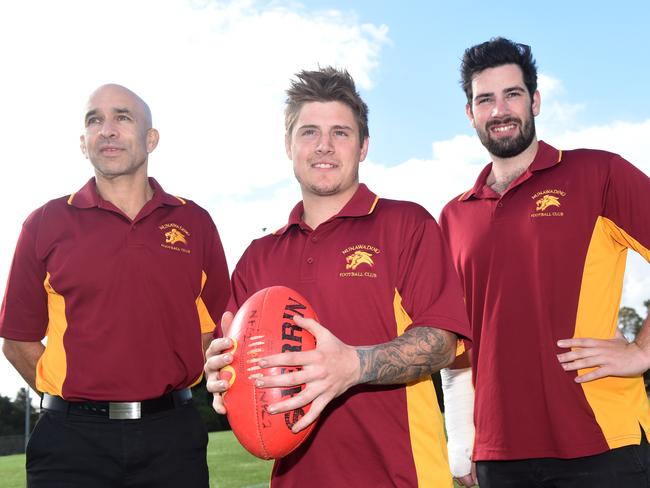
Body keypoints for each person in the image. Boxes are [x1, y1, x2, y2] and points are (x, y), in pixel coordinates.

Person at [204, 67, 471, 487]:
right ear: (288, 146)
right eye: (309, 132)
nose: (324, 146)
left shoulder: (407, 224)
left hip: (403, 477)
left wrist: (353, 365)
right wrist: (220, 375)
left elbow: (443, 342)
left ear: (363, 147)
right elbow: (234, 362)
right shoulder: (258, 256)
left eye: (341, 133)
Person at [439, 37, 650, 487]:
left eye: (512, 94)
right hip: (499, 456)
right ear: (470, 113)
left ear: (534, 100)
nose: (500, 110)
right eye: (485, 99)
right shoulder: (453, 216)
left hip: (601, 443)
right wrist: (463, 441)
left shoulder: (599, 174)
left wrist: (642, 349)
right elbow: (458, 345)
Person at [0, 84, 230, 487]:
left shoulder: (194, 222)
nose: (107, 129)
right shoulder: (44, 223)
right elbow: (17, 340)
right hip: (70, 444)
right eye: (95, 120)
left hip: (171, 438)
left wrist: (161, 381)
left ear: (150, 139)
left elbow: (217, 331)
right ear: (83, 142)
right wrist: (78, 394)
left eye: (122, 117)